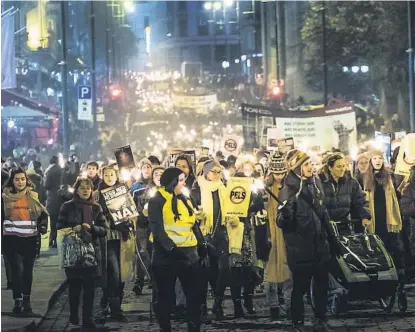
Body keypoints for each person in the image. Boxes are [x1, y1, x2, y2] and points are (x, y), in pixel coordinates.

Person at [277, 149, 333, 332]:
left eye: (311, 163)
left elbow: (322, 212)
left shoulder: (316, 183)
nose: (311, 167)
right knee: (299, 287)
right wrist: (285, 215)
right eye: (306, 164)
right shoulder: (288, 190)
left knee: (321, 286)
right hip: (300, 247)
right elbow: (282, 222)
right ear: (296, 167)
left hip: (319, 245)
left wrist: (329, 236)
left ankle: (320, 319)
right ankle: (297, 322)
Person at [149, 167, 202, 332]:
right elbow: (157, 228)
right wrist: (171, 248)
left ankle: (194, 327)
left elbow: (193, 224)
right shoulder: (157, 200)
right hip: (166, 256)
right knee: (166, 296)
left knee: (194, 295)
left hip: (189, 254)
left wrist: (202, 243)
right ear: (171, 182)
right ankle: (165, 327)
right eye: (180, 180)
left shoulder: (185, 198)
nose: (184, 183)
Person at [57, 178, 108, 328]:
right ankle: (73, 314)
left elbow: (104, 230)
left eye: (88, 188)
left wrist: (92, 228)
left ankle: (87, 319)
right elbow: (59, 227)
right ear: (76, 190)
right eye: (82, 188)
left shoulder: (96, 208)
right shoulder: (67, 207)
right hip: (73, 254)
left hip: (91, 254)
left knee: (89, 289)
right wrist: (75, 228)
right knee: (74, 287)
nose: (85, 190)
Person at [1, 168, 48, 313]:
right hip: (11, 239)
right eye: (17, 179)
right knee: (17, 270)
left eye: (22, 179)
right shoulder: (4, 197)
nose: (20, 182)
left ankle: (26, 300)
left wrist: (42, 225)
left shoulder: (32, 195)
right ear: (12, 181)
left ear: (26, 180)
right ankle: (17, 302)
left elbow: (42, 213)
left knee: (27, 271)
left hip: (30, 239)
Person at [96, 166, 133, 321]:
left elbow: (130, 212)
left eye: (112, 174)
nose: (109, 177)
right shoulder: (98, 194)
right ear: (102, 176)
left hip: (123, 237)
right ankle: (115, 309)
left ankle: (111, 298)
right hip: (108, 238)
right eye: (106, 175)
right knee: (114, 272)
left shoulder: (123, 192)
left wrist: (130, 220)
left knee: (123, 274)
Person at [362, 150, 405, 274]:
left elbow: (396, 196)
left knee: (391, 244)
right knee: (376, 245)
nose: (377, 161)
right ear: (370, 161)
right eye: (374, 158)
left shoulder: (389, 176)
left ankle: (394, 272)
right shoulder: (364, 177)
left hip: (388, 215)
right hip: (373, 216)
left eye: (379, 158)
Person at [264, 152, 292, 320]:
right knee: (270, 272)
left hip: (286, 234)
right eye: (276, 173)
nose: (279, 176)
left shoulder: (290, 188)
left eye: (282, 173)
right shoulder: (265, 189)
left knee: (288, 270)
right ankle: (273, 306)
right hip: (270, 235)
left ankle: (289, 305)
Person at [319, 153, 371, 234]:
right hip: (326, 228)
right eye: (338, 167)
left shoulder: (351, 182)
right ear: (330, 168)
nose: (342, 169)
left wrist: (364, 216)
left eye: (343, 166)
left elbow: (360, 200)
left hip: (346, 226)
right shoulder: (320, 182)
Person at [133, 166, 165, 295]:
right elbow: (140, 215)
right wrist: (144, 213)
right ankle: (143, 281)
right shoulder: (143, 193)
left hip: (166, 231)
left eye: (161, 173)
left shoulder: (173, 192)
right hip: (148, 230)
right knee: (147, 255)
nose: (158, 176)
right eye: (156, 174)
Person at [43, 156, 62, 248]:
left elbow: (46, 185)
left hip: (53, 199)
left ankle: (52, 240)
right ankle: (60, 240)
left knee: (53, 222)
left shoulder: (49, 171)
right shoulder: (63, 170)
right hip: (63, 199)